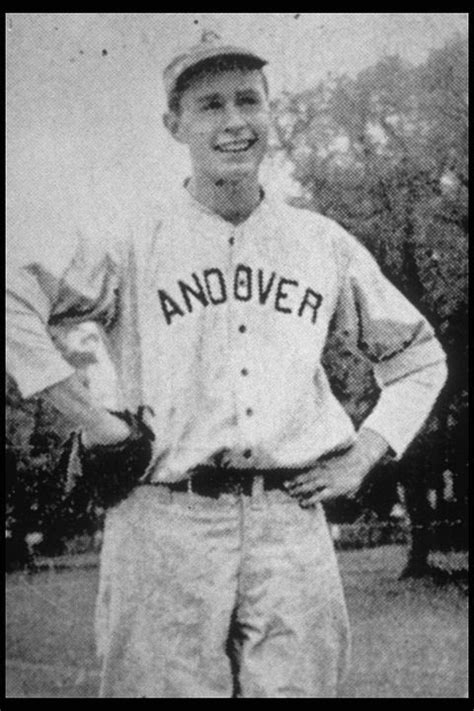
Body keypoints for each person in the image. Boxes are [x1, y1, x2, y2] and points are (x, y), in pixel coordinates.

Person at [6, 30, 448, 698]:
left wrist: (365, 453)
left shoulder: (320, 243)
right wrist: (93, 421)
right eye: (211, 104)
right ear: (174, 124)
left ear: (270, 112)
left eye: (250, 100)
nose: (235, 121)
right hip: (165, 520)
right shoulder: (133, 235)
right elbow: (14, 299)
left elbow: (418, 356)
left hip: (291, 521)